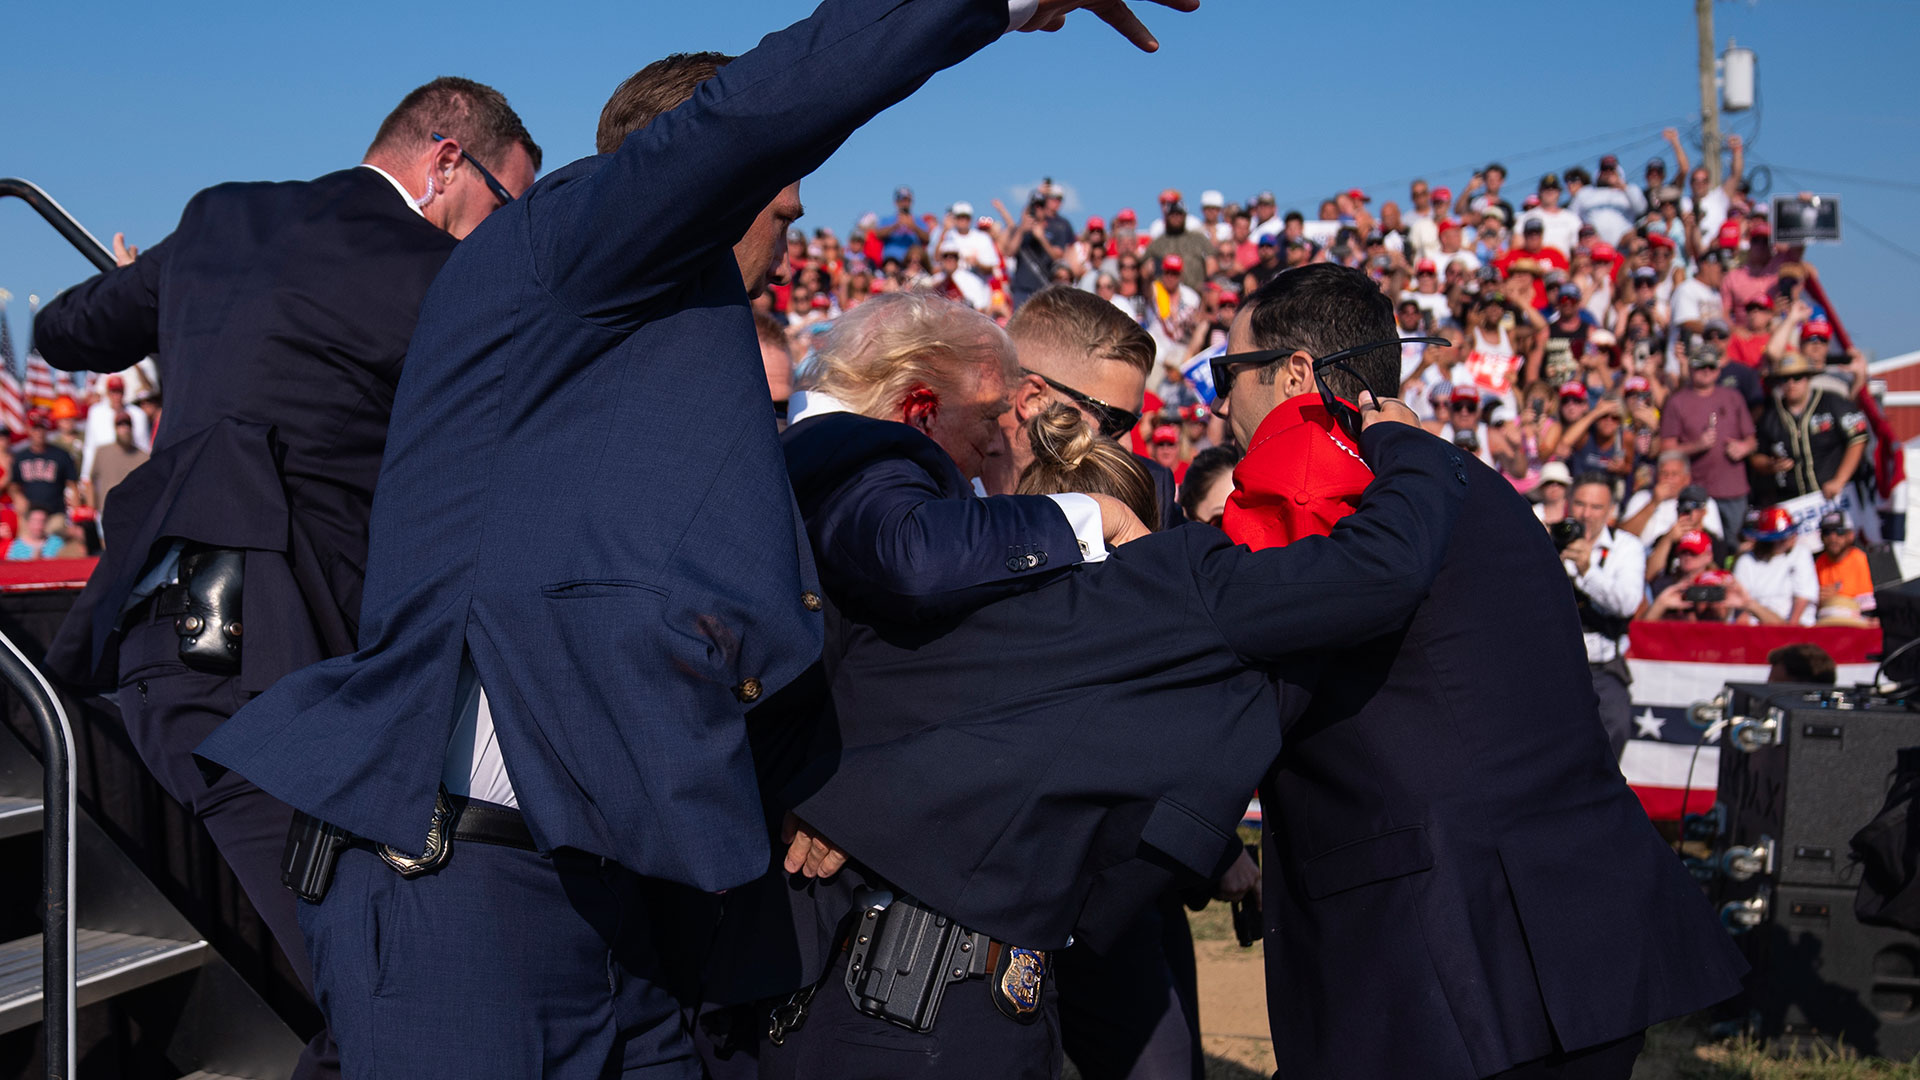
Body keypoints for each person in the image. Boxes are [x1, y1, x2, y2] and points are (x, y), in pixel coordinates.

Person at [199, 6, 1198, 1078]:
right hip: (466, 883)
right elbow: (749, 120)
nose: (791, 235)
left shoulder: (640, 354)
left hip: (609, 898)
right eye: (777, 207)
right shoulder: (568, 236)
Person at [760, 307, 1457, 1080]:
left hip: (932, 991)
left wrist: (837, 793)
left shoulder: (971, 574)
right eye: (1108, 417)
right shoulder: (887, 479)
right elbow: (1377, 572)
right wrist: (1410, 448)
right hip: (899, 993)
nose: (1116, 434)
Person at [31, 76, 537, 1080]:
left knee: (383, 990)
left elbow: (65, 332)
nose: (501, 235)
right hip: (285, 663)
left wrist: (183, 301)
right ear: (446, 161)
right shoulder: (440, 279)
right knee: (391, 1000)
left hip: (171, 638)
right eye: (504, 205)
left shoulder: (225, 218)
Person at [1208, 262, 1743, 1080]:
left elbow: (1246, 691)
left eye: (1228, 373)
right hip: (1578, 931)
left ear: (1294, 375)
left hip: (1444, 961)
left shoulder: (1326, 490)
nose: (1218, 401)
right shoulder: (1472, 481)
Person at [1002, 283, 1182, 528]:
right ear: (1033, 400)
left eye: (1133, 422)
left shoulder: (1149, 489)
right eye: (1112, 421)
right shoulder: (947, 488)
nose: (1128, 445)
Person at [1561, 474, 1647, 759]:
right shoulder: (1548, 540)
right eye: (1580, 504)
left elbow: (1627, 603)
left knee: (1614, 737)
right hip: (1555, 663)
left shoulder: (1626, 547)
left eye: (1596, 507)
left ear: (1611, 511)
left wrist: (1587, 570)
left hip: (1602, 666)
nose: (1586, 514)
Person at [1658, 344, 1755, 533]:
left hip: (1733, 490)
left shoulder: (1733, 397)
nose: (1706, 371)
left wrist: (1744, 447)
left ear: (1719, 370)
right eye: (1700, 366)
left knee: (1732, 546)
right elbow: (1666, 449)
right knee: (1701, 542)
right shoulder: (1677, 402)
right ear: (1691, 368)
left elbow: (1752, 439)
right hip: (1697, 492)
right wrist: (1697, 445)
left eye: (1711, 366)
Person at [1751, 351, 1867, 505]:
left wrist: (1839, 480)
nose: (1791, 383)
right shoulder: (1771, 415)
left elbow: (1858, 439)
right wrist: (1771, 465)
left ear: (1808, 378)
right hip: (1792, 502)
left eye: (1798, 377)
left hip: (1835, 496)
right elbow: (1756, 456)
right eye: (1785, 379)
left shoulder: (1831, 402)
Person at [1732, 506, 1818, 626]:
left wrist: (1791, 630)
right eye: (1785, 536)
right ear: (1769, 540)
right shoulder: (1746, 561)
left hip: (1797, 626)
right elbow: (1741, 606)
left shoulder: (1801, 553)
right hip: (1758, 627)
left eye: (1792, 533)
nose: (1793, 537)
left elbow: (1803, 596)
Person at [1620, 452, 1724, 545]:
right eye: (1664, 473)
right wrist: (1654, 503)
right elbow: (1623, 538)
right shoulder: (1641, 497)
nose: (1668, 478)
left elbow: (1714, 542)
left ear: (1686, 479)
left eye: (1674, 474)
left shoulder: (1704, 502)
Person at [79, 372, 151, 481]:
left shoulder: (137, 414)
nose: (116, 396)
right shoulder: (96, 412)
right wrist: (85, 476)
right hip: (105, 465)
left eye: (119, 392)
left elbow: (144, 445)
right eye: (113, 392)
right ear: (107, 393)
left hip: (130, 464)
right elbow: (90, 446)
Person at [9, 412, 78, 516]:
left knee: (56, 529)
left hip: (55, 513)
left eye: (42, 428)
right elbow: (13, 485)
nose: (39, 432)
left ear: (47, 430)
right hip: (30, 515)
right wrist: (17, 497)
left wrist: (75, 512)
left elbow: (72, 485)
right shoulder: (20, 457)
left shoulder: (61, 455)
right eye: (35, 428)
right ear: (28, 430)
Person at [87, 409, 149, 520]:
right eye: (120, 425)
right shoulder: (102, 452)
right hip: (107, 513)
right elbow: (90, 481)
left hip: (134, 515)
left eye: (127, 425)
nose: (124, 429)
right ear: (115, 428)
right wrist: (92, 509)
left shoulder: (143, 457)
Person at [1814, 510, 1876, 620]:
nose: (1833, 538)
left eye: (1839, 531)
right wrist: (1816, 599)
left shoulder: (1859, 558)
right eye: (1827, 532)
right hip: (1826, 621)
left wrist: (1837, 599)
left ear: (1850, 535)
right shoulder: (1819, 563)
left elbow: (1868, 608)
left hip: (1855, 621)